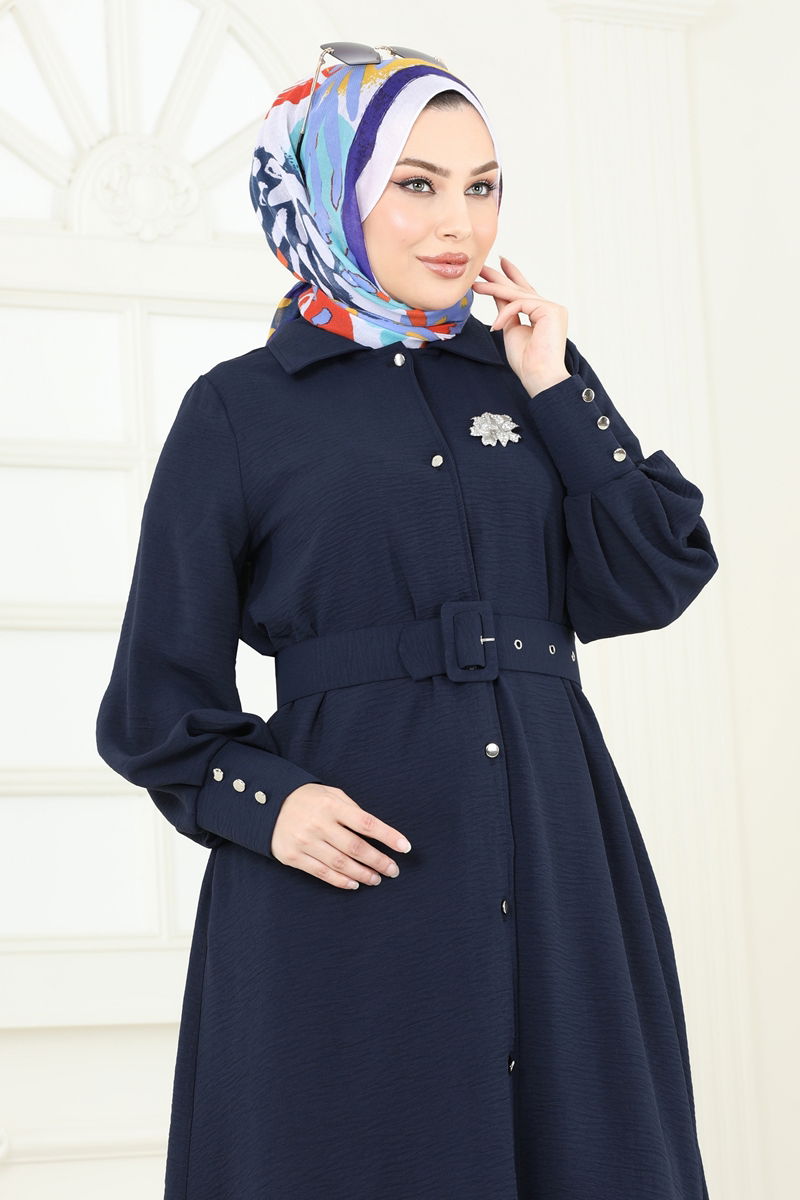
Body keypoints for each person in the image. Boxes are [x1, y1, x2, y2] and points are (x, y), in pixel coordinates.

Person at [96, 44, 718, 1200]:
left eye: (481, 186)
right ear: (334, 190)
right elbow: (152, 706)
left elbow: (653, 576)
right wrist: (268, 804)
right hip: (349, 873)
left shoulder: (525, 377)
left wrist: (555, 384)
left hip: (555, 850)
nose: (457, 224)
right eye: (416, 184)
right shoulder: (238, 410)